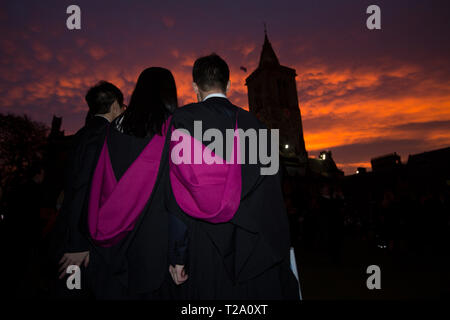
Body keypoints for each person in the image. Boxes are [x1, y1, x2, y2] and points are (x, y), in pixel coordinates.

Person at [166, 53, 299, 299]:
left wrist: (178, 254)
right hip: (256, 247)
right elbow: (273, 192)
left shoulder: (181, 122)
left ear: (195, 86)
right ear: (228, 85)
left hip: (206, 246)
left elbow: (175, 194)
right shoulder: (258, 127)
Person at [87, 67, 188, 299]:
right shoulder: (173, 129)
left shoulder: (113, 129)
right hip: (156, 246)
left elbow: (101, 182)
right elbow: (177, 198)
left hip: (114, 242)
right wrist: (178, 255)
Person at [48, 81, 125, 298]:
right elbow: (85, 187)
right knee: (76, 290)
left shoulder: (81, 134)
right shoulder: (103, 137)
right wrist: (79, 243)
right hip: (79, 242)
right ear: (116, 106)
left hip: (69, 232)